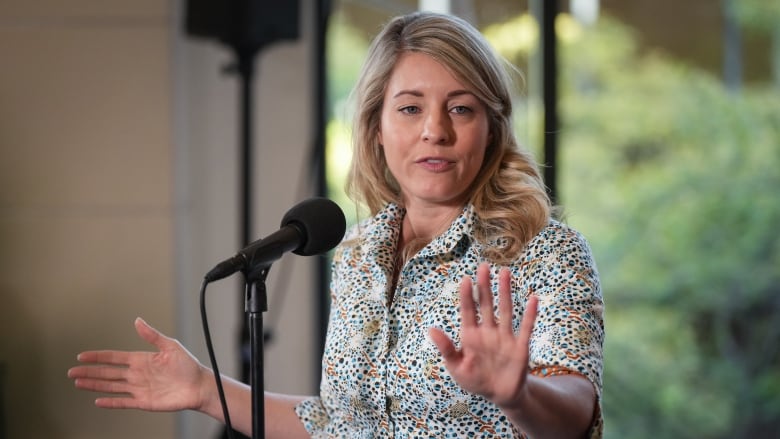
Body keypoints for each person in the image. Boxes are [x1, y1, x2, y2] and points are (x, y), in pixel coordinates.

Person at [68, 11, 604, 439]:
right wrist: (207, 390)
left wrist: (518, 396)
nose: (434, 131)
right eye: (410, 108)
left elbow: (575, 413)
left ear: (491, 127)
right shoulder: (359, 254)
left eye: (461, 109)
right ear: (376, 127)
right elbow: (340, 424)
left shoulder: (546, 252)